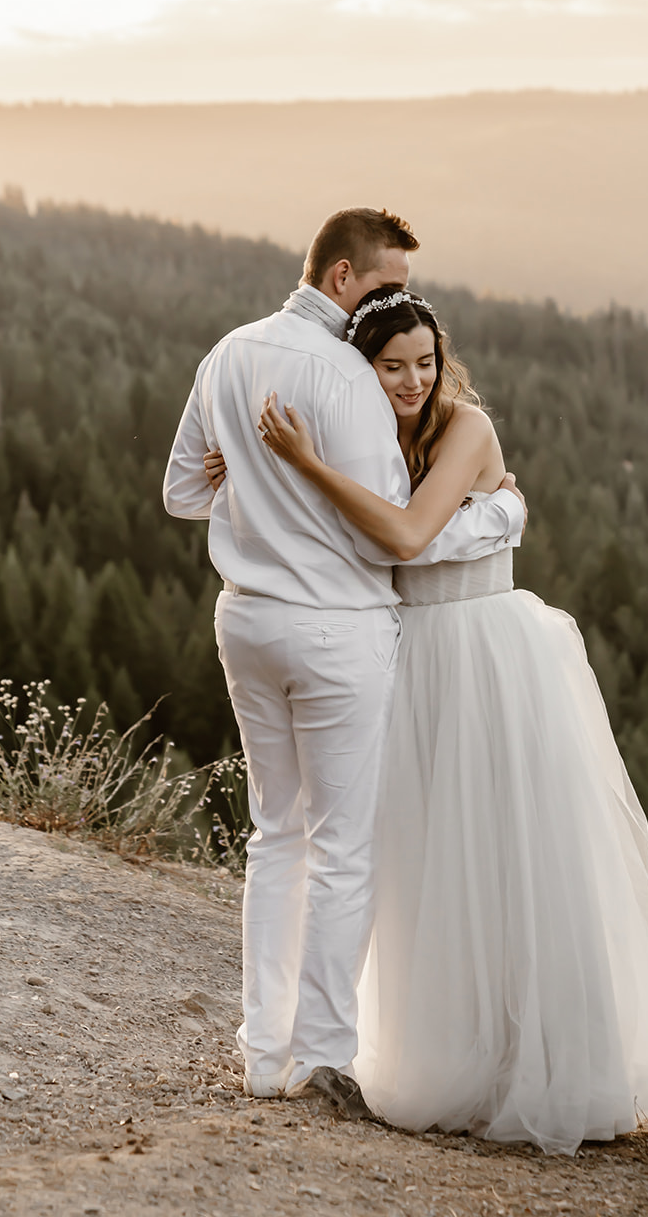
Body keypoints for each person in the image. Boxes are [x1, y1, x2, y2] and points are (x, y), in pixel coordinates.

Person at [255, 286, 648, 1154]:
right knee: (429, 858)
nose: (412, 380)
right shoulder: (367, 431)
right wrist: (250, 468)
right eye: (392, 366)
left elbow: (405, 538)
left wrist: (311, 467)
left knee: (516, 852)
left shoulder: (463, 425)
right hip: (410, 659)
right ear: (362, 368)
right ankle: (452, 1056)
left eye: (424, 362)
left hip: (487, 653)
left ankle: (542, 1064)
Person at [162, 210, 525, 1117]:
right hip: (334, 627)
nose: (396, 302)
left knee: (273, 835)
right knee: (342, 849)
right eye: (384, 283)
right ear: (338, 278)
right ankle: (320, 1057)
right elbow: (398, 533)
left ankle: (259, 1053)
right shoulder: (349, 379)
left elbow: (180, 493)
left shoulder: (228, 353)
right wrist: (499, 515)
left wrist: (244, 476)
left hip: (245, 619)